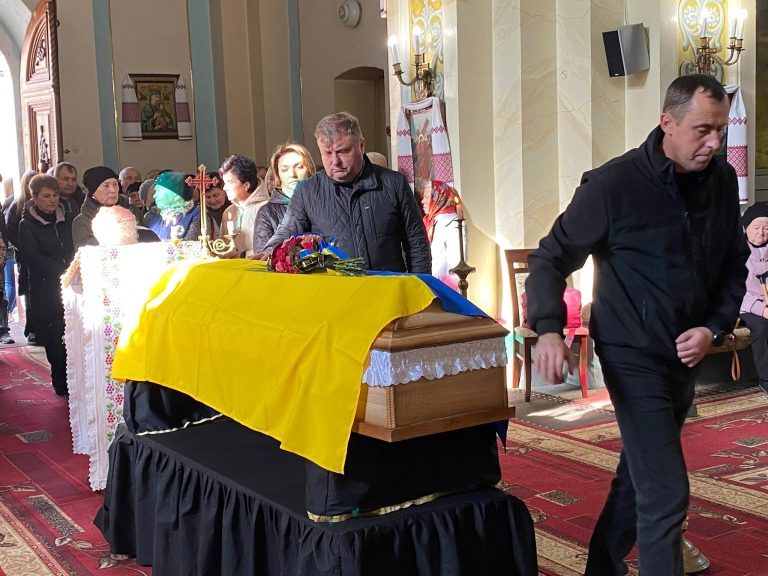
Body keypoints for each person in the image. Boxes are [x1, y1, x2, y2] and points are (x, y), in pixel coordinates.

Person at [525, 74, 748, 575]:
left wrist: (713, 327)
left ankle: (601, 568)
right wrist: (550, 329)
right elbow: (549, 259)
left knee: (641, 474)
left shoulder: (721, 180)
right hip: (631, 352)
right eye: (703, 130)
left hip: (686, 354)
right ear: (668, 122)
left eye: (721, 130)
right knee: (666, 489)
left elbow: (734, 263)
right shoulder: (613, 185)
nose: (715, 143)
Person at [262, 112, 431, 274]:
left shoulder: (394, 183)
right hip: (336, 289)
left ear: (361, 146)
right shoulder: (307, 191)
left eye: (343, 151)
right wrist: (270, 250)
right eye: (327, 153)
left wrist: (420, 285)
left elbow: (416, 243)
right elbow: (287, 231)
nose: (335, 161)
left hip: (387, 287)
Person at [18, 175, 75, 395]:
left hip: (70, 285)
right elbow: (33, 257)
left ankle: (74, 379)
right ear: (34, 198)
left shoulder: (67, 218)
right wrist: (62, 269)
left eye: (55, 195)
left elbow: (73, 247)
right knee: (54, 338)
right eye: (46, 196)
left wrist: (73, 266)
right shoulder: (27, 224)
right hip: (45, 288)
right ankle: (60, 381)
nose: (52, 200)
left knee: (72, 334)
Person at [252, 143, 316, 252]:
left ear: (310, 169)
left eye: (299, 167)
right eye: (284, 169)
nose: (292, 174)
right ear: (278, 174)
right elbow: (262, 255)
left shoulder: (323, 202)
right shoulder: (267, 212)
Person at [739, 202, 768, 396]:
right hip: (746, 305)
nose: (761, 233)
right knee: (761, 326)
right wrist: (762, 309)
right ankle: (766, 379)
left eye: (766, 228)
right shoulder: (737, 252)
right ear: (746, 228)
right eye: (756, 228)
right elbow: (735, 291)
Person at [6, 170, 38, 344]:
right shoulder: (17, 205)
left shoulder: (43, 202)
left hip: (43, 254)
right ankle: (32, 328)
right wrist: (24, 246)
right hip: (25, 257)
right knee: (30, 292)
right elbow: (10, 230)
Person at [72, 166, 131, 249]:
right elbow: (87, 253)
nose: (113, 190)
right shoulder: (82, 222)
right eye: (106, 186)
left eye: (115, 184)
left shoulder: (132, 211)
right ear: (93, 192)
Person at [220, 155, 268, 257]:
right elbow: (222, 247)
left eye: (229, 182)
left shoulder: (268, 208)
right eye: (224, 182)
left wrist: (245, 254)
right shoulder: (228, 212)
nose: (224, 188)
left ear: (246, 185)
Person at [421, 180, 463, 290]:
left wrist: (444, 292)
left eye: (426, 197)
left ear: (439, 198)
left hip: (442, 290)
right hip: (427, 287)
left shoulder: (454, 223)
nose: (422, 201)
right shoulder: (427, 222)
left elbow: (456, 266)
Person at [143, 170, 201, 241]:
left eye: (158, 191)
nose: (154, 196)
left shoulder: (195, 214)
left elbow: (191, 243)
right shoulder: (152, 220)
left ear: (173, 192)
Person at [202, 171, 230, 238]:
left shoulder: (234, 209)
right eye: (207, 197)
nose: (212, 201)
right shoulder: (199, 213)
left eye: (216, 195)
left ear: (225, 192)